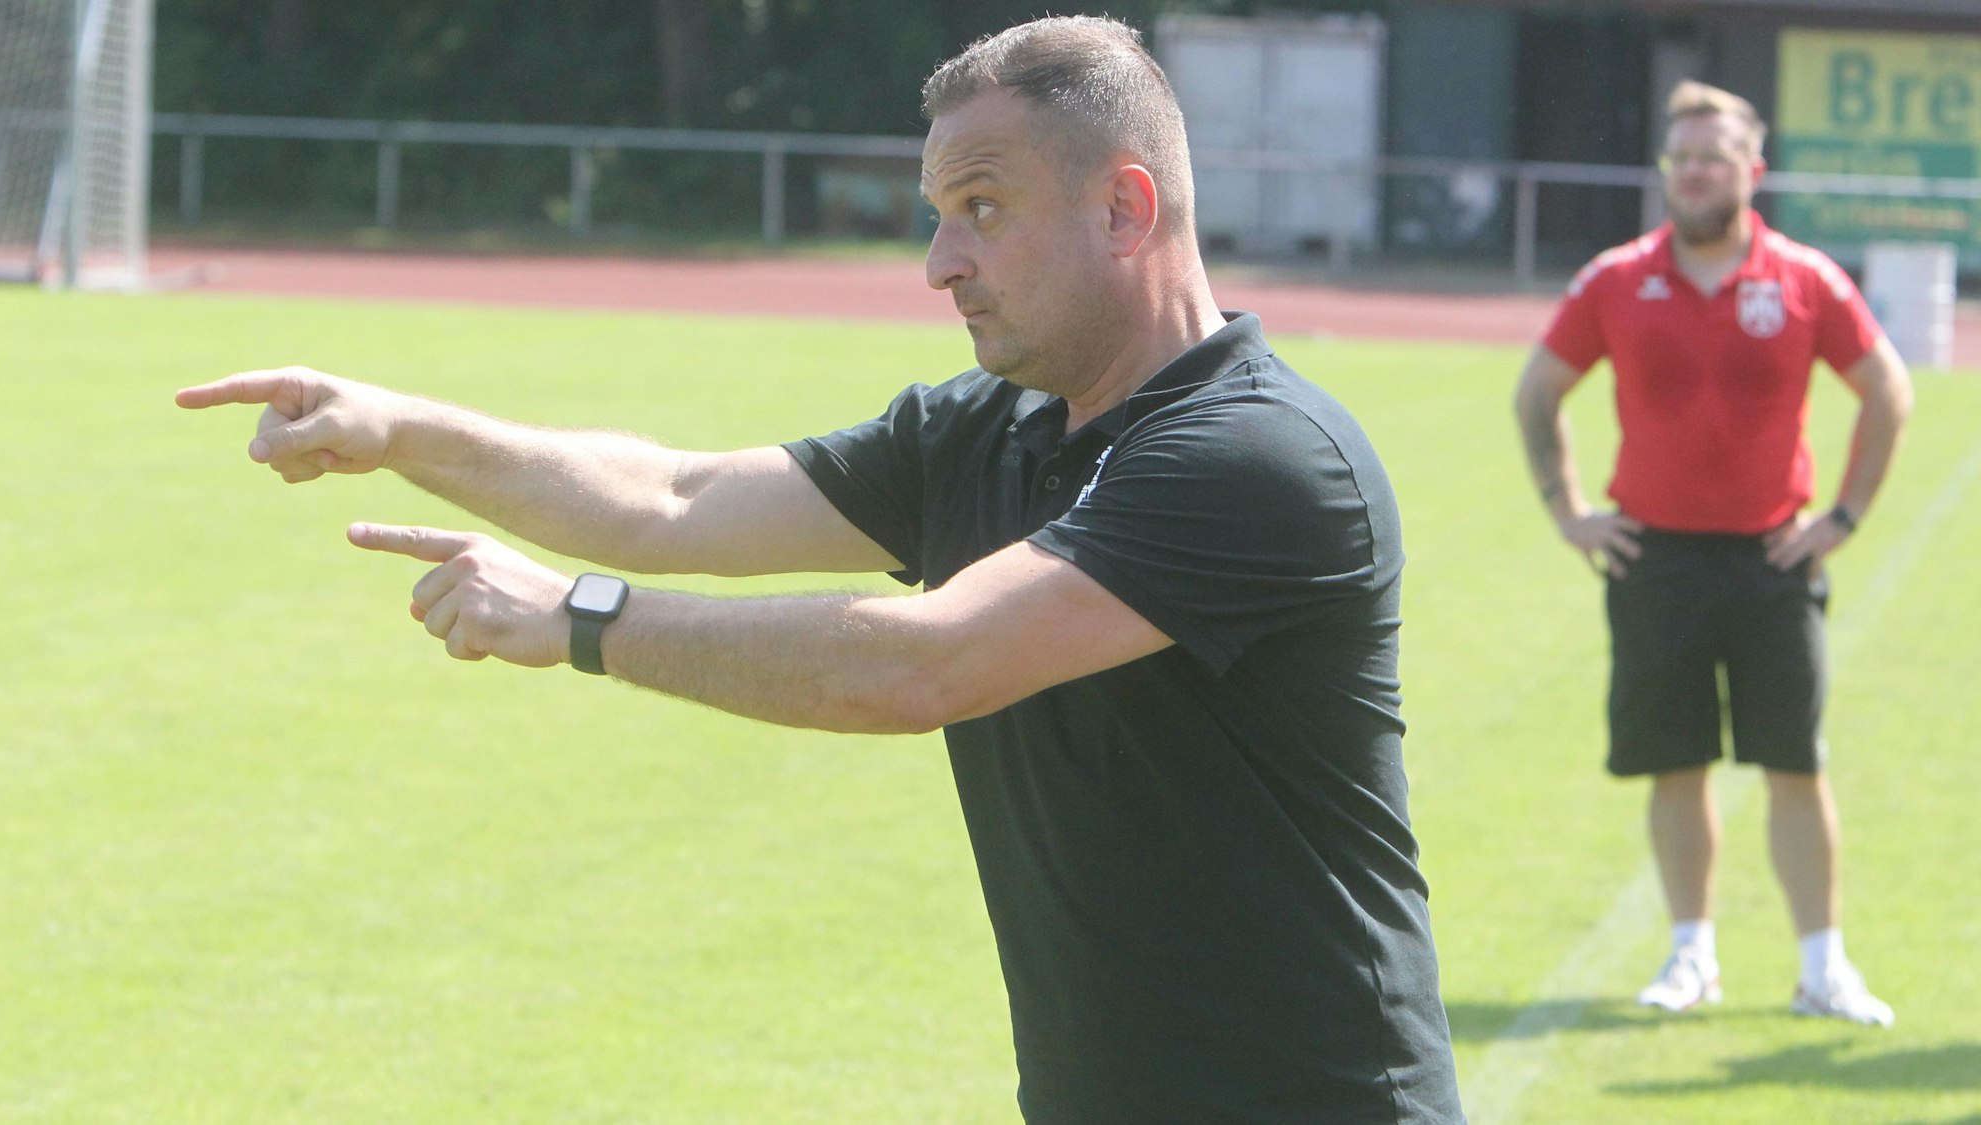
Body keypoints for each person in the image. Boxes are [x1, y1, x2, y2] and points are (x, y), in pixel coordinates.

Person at [179, 16, 1464, 1124]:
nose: (938, 262)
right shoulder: (986, 429)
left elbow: (925, 663)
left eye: (982, 209)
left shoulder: (1258, 458)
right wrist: (402, 429)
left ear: (1122, 209)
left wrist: (575, 618)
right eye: (937, 217)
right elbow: (675, 499)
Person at [1513, 80, 1911, 1027]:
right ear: (1666, 172)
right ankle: (1692, 956)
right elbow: (1537, 394)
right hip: (1654, 561)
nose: (1693, 173)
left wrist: (1843, 518)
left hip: (1774, 561)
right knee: (1675, 762)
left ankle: (1823, 967)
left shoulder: (1805, 278)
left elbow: (1888, 391)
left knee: (1793, 764)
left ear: (1751, 170)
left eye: (1713, 157)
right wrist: (1568, 509)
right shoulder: (1614, 279)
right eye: (1679, 157)